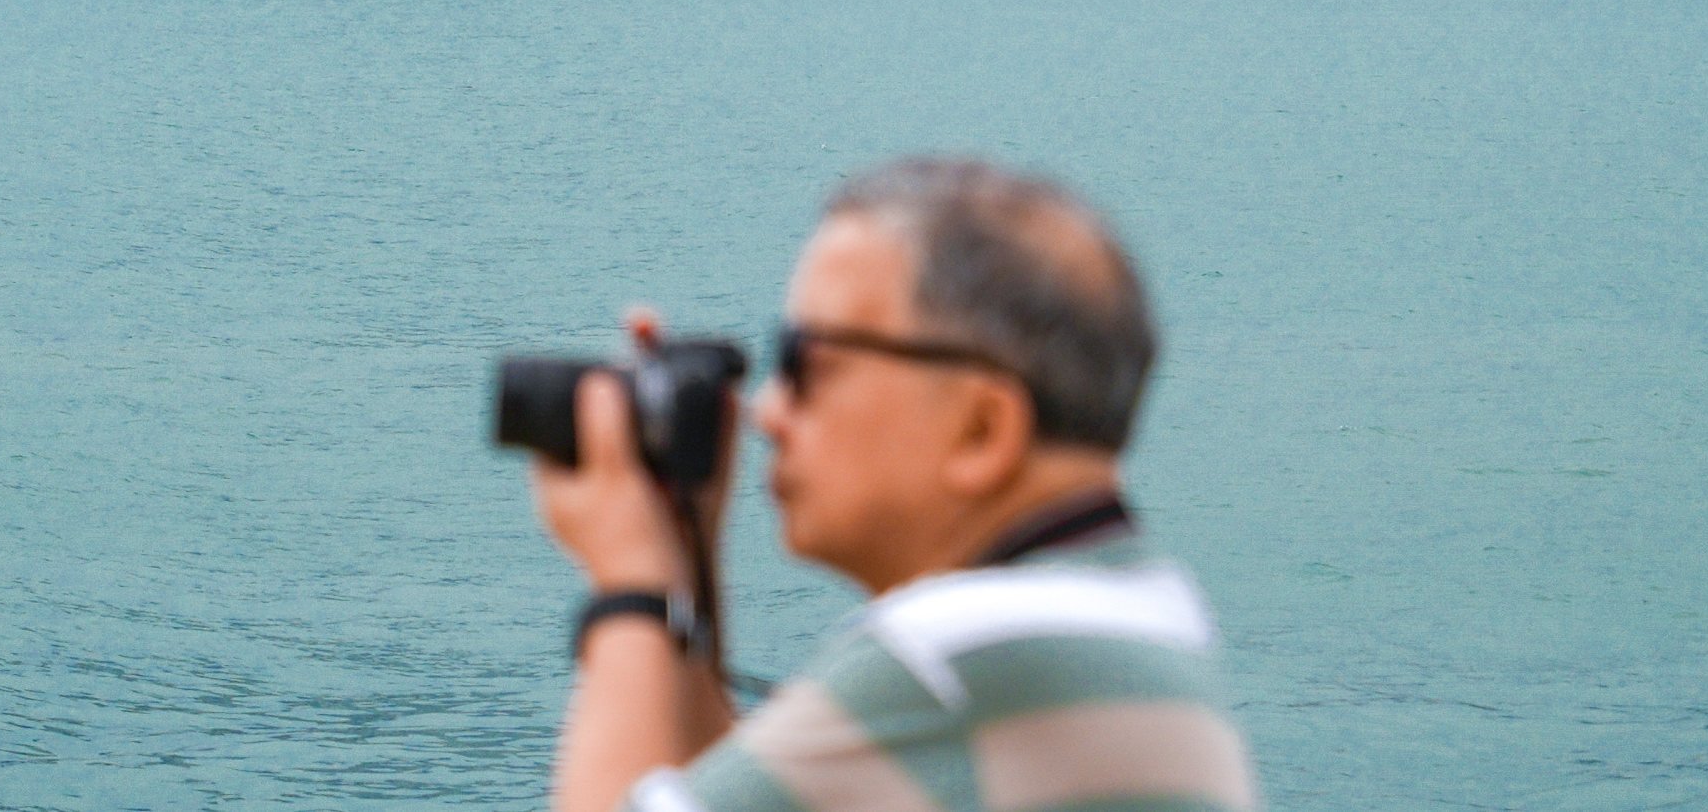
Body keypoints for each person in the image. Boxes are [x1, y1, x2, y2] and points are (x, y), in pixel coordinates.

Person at [528, 156, 1254, 812]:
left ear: (982, 429)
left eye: (806, 362)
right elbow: (724, 789)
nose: (766, 412)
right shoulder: (1140, 613)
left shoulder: (960, 655)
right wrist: (685, 555)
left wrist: (628, 586)